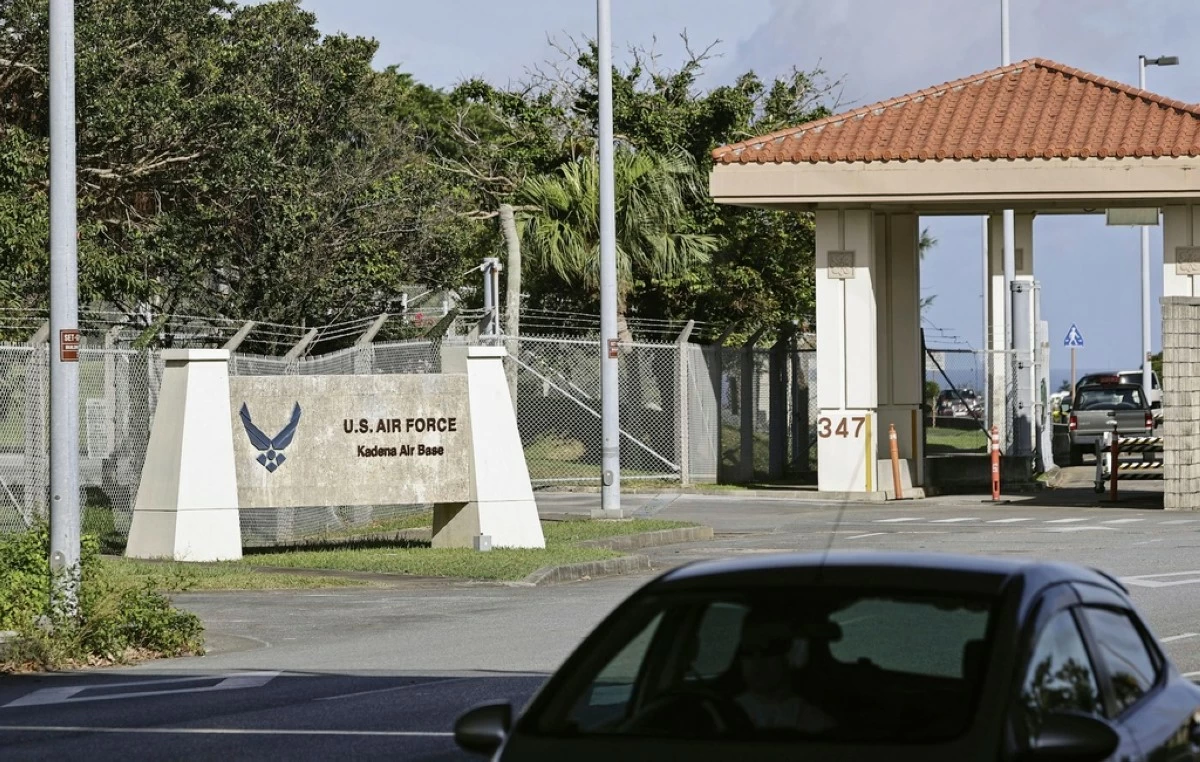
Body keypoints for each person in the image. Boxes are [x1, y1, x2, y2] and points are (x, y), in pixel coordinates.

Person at [733, 610, 836, 733]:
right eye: (748, 651)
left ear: (792, 654)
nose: (757, 660)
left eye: (769, 650)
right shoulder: (722, 715)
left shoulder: (816, 724)